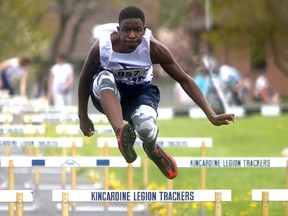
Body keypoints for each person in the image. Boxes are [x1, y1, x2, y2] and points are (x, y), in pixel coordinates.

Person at [78, 6, 235, 179]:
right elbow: (84, 79)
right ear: (118, 30)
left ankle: (152, 150)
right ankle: (120, 133)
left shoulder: (153, 48)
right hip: (107, 95)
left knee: (146, 128)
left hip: (139, 93)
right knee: (104, 77)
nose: (132, 35)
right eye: (126, 30)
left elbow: (185, 79)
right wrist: (83, 117)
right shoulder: (103, 47)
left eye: (137, 30)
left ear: (144, 31)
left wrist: (211, 115)